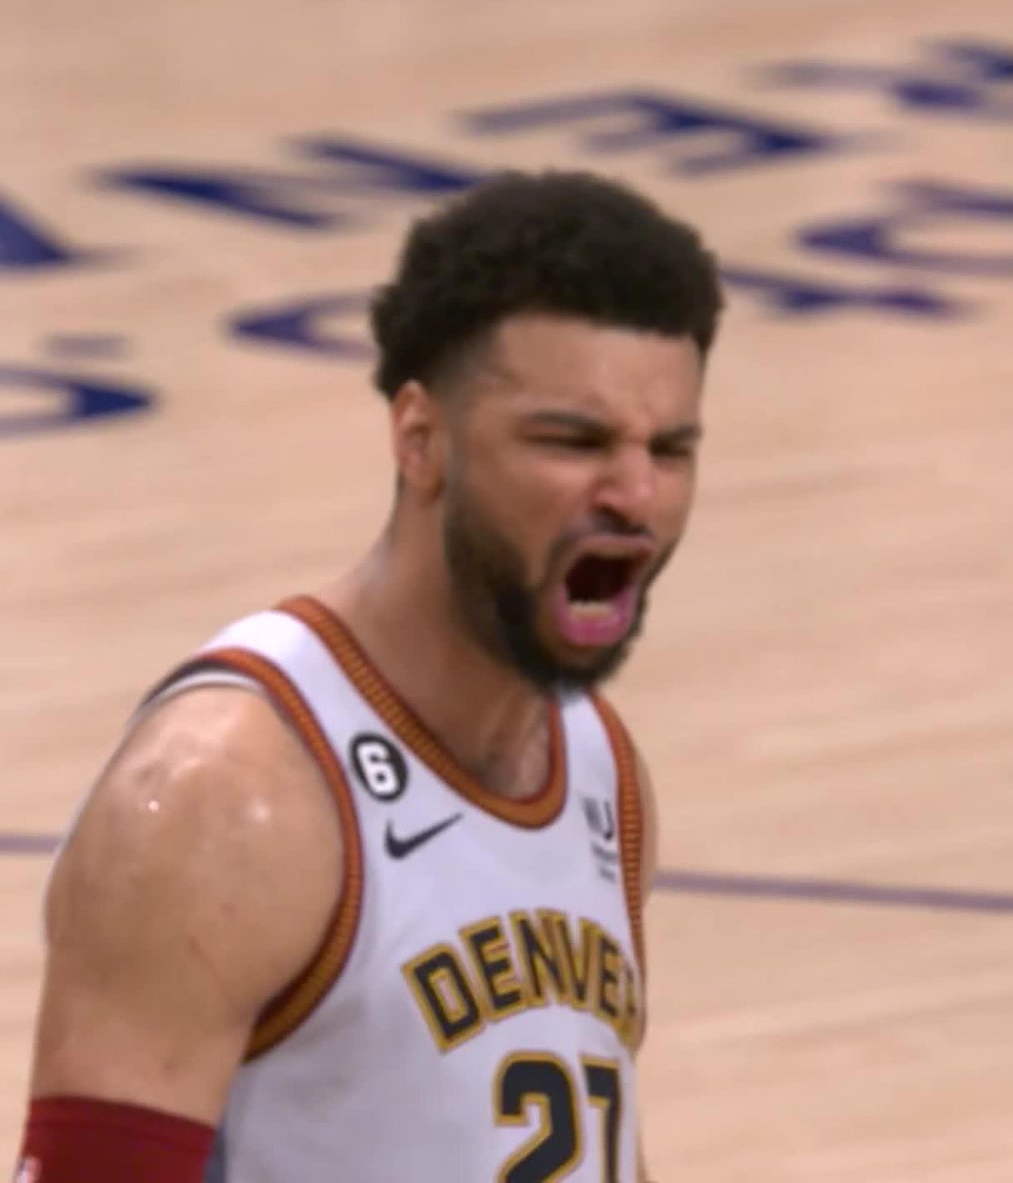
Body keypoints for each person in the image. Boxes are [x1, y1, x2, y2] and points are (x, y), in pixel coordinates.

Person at [16, 169, 723, 1183]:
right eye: (573, 441)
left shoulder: (599, 764)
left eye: (671, 450)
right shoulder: (227, 795)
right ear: (420, 439)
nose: (636, 494)